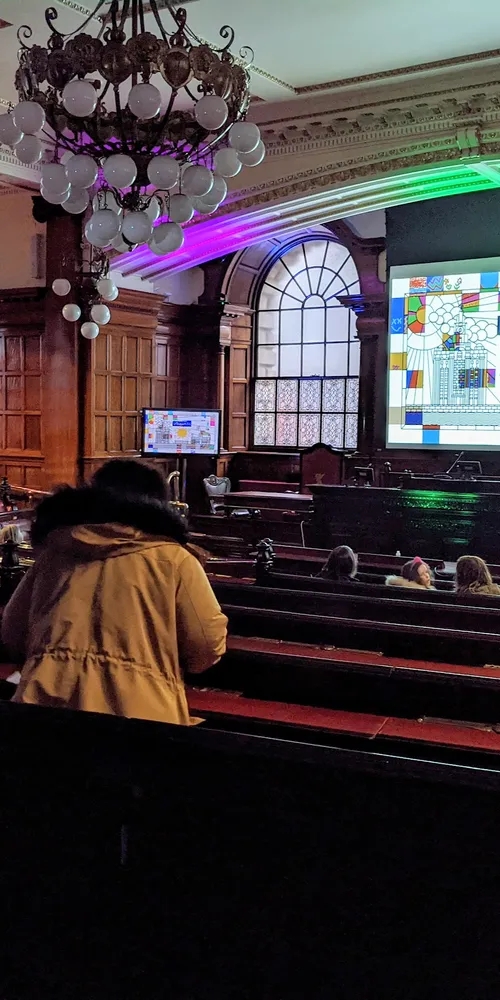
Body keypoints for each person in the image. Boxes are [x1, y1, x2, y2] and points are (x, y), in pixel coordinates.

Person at [2, 459, 228, 724]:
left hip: (46, 706)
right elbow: (205, 646)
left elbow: (12, 632)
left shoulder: (56, 552)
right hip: (140, 712)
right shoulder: (175, 561)